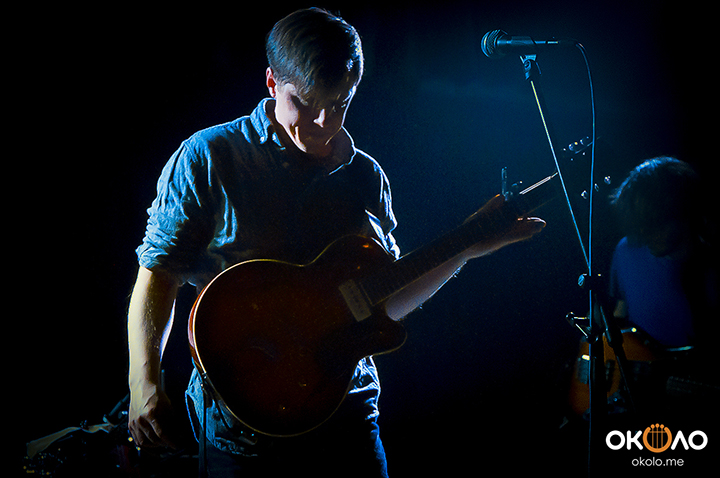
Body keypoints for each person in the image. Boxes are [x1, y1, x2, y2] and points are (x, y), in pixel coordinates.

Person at [127, 8, 545, 477]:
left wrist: (464, 248)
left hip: (347, 419)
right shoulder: (210, 156)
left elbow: (383, 302)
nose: (324, 122)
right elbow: (158, 271)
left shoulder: (366, 177)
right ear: (272, 82)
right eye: (305, 103)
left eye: (341, 102)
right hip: (242, 431)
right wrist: (144, 384)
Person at [608, 156, 718, 419]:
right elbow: (620, 315)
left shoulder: (711, 267)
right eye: (638, 221)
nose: (643, 232)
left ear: (684, 212)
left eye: (653, 221)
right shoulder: (626, 250)